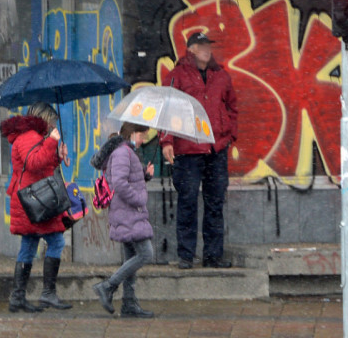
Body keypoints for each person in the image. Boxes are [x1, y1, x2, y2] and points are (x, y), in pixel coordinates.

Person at [161, 31, 238, 269]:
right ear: (191, 49)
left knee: (215, 202)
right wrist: (166, 141)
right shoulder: (177, 76)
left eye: (208, 45)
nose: (207, 50)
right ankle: (186, 256)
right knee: (188, 201)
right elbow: (167, 109)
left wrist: (229, 134)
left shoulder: (221, 75)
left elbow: (232, 106)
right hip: (188, 148)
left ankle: (213, 256)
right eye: (202, 45)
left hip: (216, 148)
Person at [0, 102, 71, 312]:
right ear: (44, 118)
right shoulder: (29, 136)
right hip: (34, 201)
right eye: (52, 121)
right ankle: (48, 294)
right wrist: (51, 143)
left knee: (29, 246)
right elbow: (33, 163)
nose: (53, 126)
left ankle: (17, 297)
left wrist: (57, 156)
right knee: (57, 241)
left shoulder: (33, 136)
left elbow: (42, 166)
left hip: (34, 200)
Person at [91, 122, 155, 318]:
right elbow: (119, 182)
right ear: (132, 133)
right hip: (129, 212)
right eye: (142, 136)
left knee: (130, 257)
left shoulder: (126, 151)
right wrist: (139, 199)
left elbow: (129, 177)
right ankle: (108, 286)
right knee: (145, 253)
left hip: (127, 212)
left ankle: (128, 303)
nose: (143, 140)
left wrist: (144, 175)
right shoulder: (122, 152)